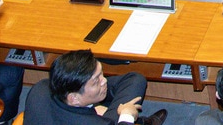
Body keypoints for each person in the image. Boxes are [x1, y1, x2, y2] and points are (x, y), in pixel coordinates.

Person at [23, 49, 164, 125]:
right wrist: (126, 115)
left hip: (83, 111)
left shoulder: (40, 88)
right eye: (96, 81)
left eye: (101, 74)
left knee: (134, 79)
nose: (104, 82)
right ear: (74, 98)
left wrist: (92, 108)